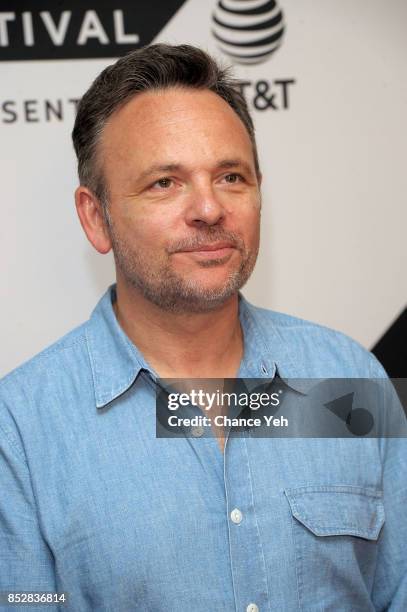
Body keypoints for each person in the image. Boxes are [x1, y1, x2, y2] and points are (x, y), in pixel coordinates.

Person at [0, 44, 405, 612]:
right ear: (97, 217)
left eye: (231, 176)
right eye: (165, 182)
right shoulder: (20, 428)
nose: (210, 209)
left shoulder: (346, 376)